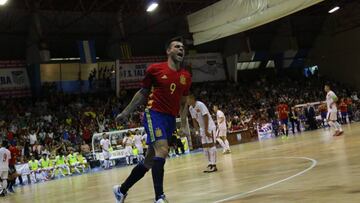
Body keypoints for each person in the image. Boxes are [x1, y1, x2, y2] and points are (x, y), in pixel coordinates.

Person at [113, 38, 191, 203]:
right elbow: (142, 93)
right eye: (177, 47)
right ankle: (159, 197)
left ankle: (121, 190)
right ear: (168, 51)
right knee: (162, 150)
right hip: (154, 114)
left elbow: (184, 102)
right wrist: (126, 112)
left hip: (170, 118)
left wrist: (183, 124)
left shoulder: (186, 76)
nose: (181, 49)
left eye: (183, 47)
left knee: (149, 161)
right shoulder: (155, 69)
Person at [188, 95, 218, 173]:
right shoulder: (190, 108)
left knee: (211, 145)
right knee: (205, 147)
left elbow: (206, 117)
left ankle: (214, 165)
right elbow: (194, 120)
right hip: (202, 129)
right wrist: (197, 131)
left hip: (209, 127)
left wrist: (206, 130)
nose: (186, 101)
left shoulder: (200, 104)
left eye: (187, 99)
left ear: (192, 98)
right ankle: (210, 164)